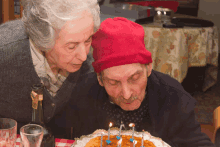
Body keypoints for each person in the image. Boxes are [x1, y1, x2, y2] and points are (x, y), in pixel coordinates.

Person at [67, 17, 215, 146]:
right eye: (113, 82)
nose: (126, 94)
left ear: (148, 68)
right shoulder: (80, 93)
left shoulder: (173, 97)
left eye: (134, 78)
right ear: (99, 79)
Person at [0, 0, 100, 138]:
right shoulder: (4, 52)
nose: (83, 56)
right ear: (42, 40)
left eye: (88, 40)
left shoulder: (86, 68)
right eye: (71, 46)